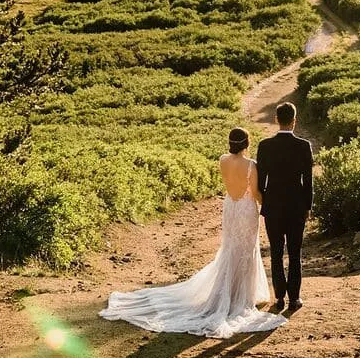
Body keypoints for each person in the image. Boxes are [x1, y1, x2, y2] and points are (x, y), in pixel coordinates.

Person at [98, 126, 285, 338]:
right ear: (247, 144)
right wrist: (270, 201)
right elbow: (256, 194)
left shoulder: (223, 160)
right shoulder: (252, 165)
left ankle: (231, 292)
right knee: (245, 249)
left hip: (231, 207)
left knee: (231, 247)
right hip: (245, 209)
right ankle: (241, 296)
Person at [255, 101, 314, 311]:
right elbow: (308, 181)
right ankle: (294, 299)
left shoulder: (265, 146)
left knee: (277, 253)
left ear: (276, 119)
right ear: (295, 120)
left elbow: (260, 180)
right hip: (297, 205)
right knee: (295, 253)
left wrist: (263, 200)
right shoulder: (304, 146)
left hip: (273, 206)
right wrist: (308, 206)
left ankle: (279, 298)